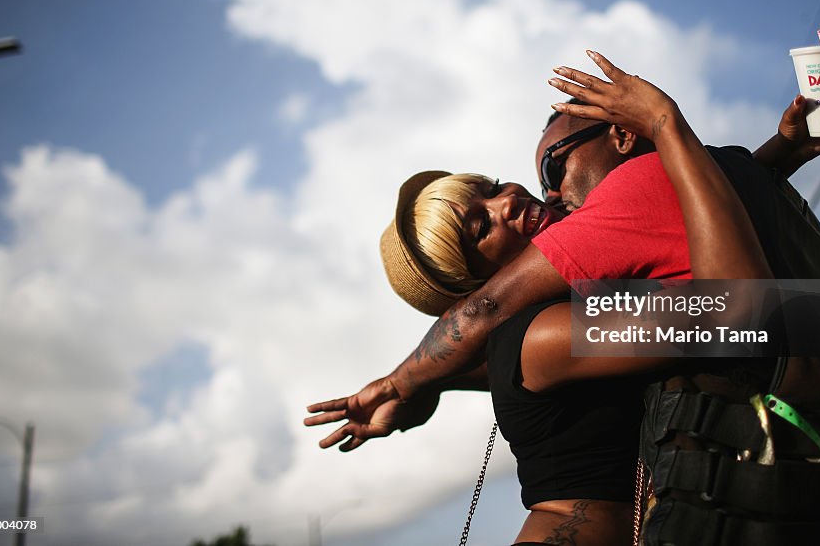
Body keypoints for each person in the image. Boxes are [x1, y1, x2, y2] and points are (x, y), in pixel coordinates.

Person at [311, 57, 776, 545]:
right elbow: (735, 315)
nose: (506, 201)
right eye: (480, 228)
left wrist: (424, 386)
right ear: (477, 281)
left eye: (491, 189)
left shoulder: (562, 320)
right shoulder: (538, 334)